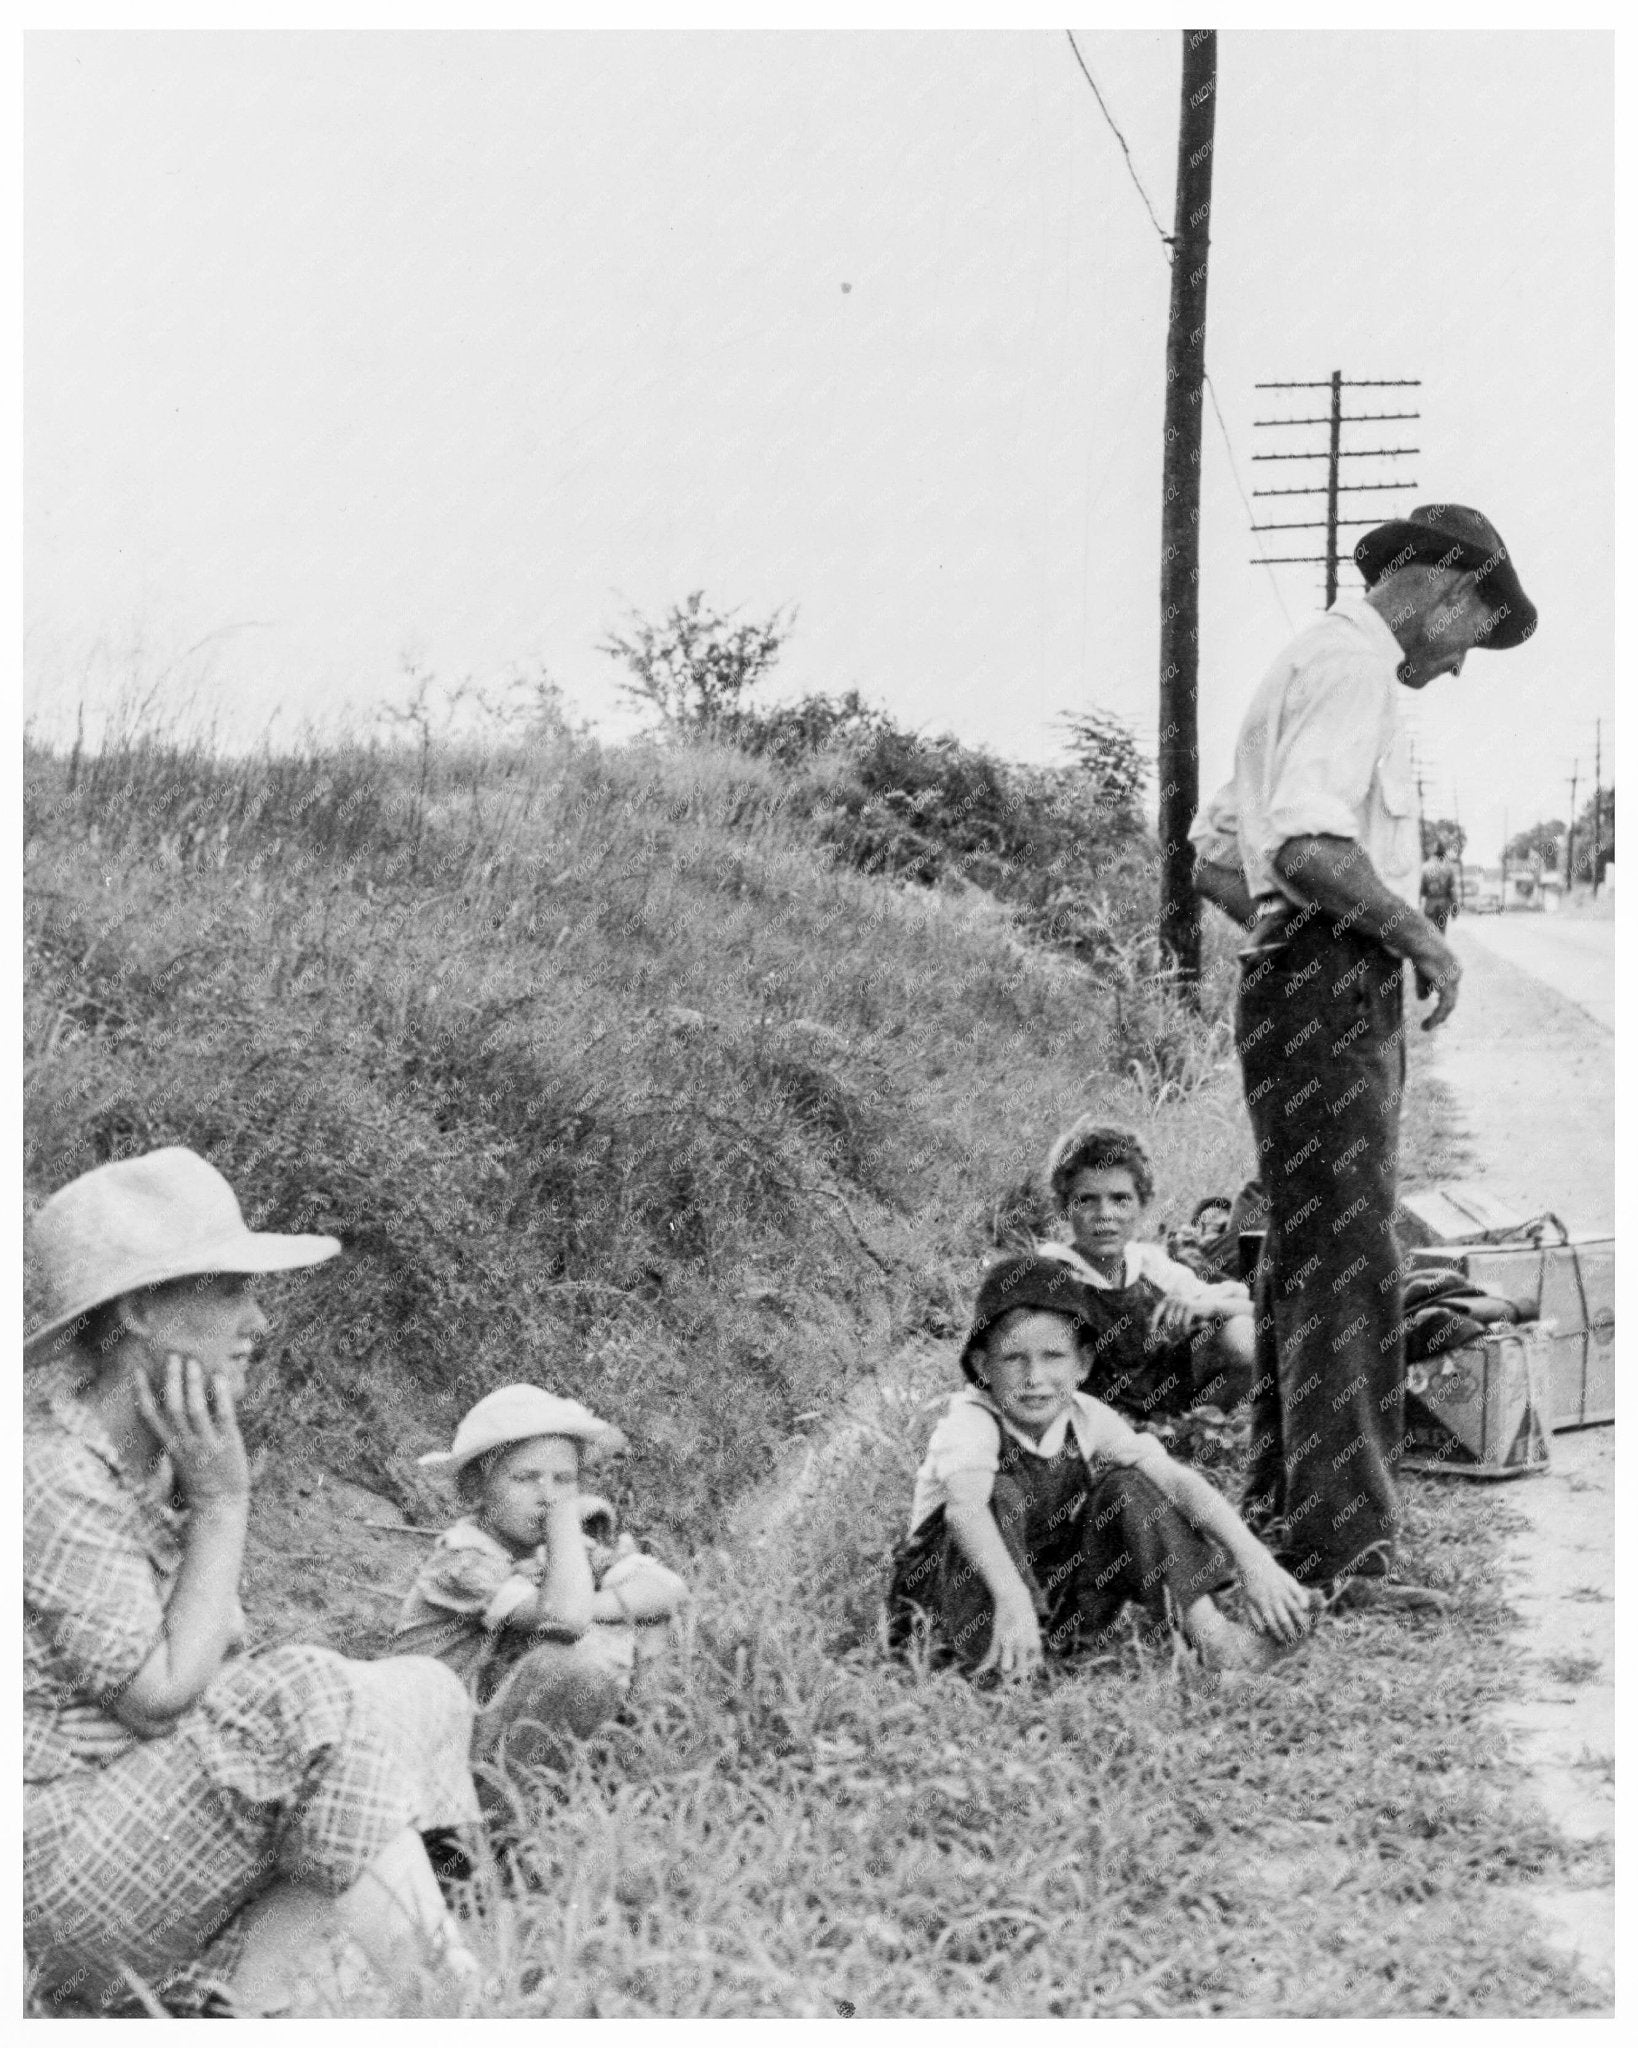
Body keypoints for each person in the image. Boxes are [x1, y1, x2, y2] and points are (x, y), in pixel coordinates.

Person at [24, 1147, 484, 2017]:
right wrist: (224, 1503)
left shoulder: (148, 1465)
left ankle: (234, 2005)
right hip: (53, 1865)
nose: (258, 1322)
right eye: (230, 1290)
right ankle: (452, 2004)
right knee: (307, 1693)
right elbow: (158, 1696)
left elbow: (218, 1666)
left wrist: (201, 1497)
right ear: (143, 1309)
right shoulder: (51, 1476)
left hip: (138, 1823)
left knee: (420, 1691)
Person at [1189, 503, 1535, 1610]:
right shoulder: (1353, 670)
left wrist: (1289, 935)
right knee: (1349, 1264)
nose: (1461, 661)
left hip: (1302, 979)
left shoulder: (1311, 660)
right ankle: (1349, 1552)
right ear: (1441, 585)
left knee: (1307, 1257)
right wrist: (1414, 939)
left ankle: (1289, 1511)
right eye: (1474, 629)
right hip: (1328, 988)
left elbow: (1214, 851)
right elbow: (1300, 842)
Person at [885, 1256, 1316, 1678]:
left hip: (1049, 1601)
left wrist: (1254, 1559)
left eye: (1053, 1356)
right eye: (1013, 1359)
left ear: (1083, 1363)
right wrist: (1013, 1597)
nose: (1034, 1377)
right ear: (982, 1366)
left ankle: (1212, 1634)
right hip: (959, 1602)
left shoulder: (1085, 1416)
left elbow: (1179, 1483)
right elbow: (966, 1510)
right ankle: (993, 1662)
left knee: (1130, 1485)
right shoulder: (972, 1420)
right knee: (1000, 1494)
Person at [397, 1385, 689, 1782]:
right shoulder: (462, 1561)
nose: (549, 1497)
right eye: (526, 1478)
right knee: (577, 1661)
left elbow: (668, 1589)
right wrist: (567, 1524)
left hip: (498, 1740)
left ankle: (643, 1771)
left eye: (564, 1480)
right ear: (475, 1489)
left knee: (651, 1622)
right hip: (433, 1759)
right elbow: (564, 1619)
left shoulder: (557, 1550)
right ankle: (478, 1834)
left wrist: (597, 1600)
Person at [1033, 1118, 1256, 1418]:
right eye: (1086, 1200)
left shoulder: (1149, 1264)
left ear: (1143, 1203)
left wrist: (1204, 1307)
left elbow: (1256, 1310)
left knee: (1242, 1334)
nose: (1104, 1214)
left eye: (1120, 1199)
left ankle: (1192, 1430)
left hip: (1164, 1405)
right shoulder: (1051, 1273)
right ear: (1063, 1206)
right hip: (1089, 1416)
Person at [1420, 840, 1459, 931]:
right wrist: (1455, 911)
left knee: (1431, 934)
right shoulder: (1448, 869)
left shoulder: (1426, 868)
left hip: (1429, 905)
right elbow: (1453, 893)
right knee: (1441, 933)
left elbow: (1422, 891)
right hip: (1443, 905)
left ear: (1434, 855)